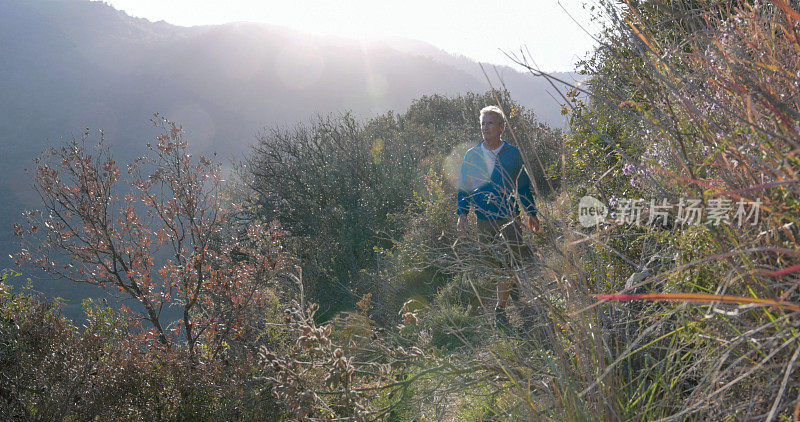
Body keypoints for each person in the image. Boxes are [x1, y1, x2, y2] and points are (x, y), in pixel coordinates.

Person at [456, 105, 540, 328]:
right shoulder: (472, 155)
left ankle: (499, 309)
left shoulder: (512, 153)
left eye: (490, 123)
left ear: (501, 127)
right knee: (493, 262)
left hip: (509, 217)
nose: (485, 128)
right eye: (483, 124)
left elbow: (522, 186)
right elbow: (464, 185)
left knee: (509, 261)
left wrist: (531, 212)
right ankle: (509, 287)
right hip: (483, 219)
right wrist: (462, 214)